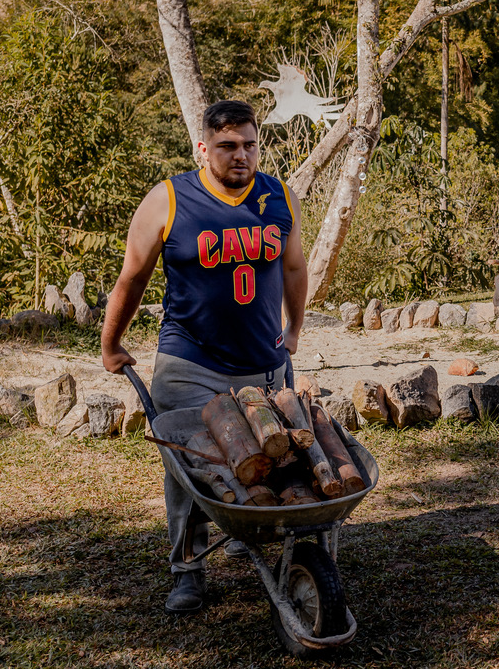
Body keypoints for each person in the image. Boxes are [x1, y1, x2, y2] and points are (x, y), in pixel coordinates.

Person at [101, 100, 308, 613]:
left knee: (274, 455)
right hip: (190, 363)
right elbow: (133, 277)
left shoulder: (279, 196)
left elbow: (294, 268)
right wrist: (111, 343)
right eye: (227, 146)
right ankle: (188, 570)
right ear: (202, 148)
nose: (241, 155)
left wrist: (294, 329)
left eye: (250, 145)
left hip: (263, 364)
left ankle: (247, 528)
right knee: (191, 468)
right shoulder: (169, 199)